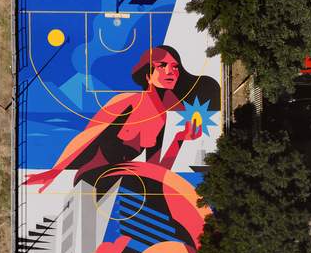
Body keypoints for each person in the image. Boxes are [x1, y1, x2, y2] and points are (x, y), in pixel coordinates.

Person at [25, 45, 220, 192]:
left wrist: (179, 139)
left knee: (165, 189)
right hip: (92, 178)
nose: (171, 72)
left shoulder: (162, 118)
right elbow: (87, 136)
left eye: (175, 67)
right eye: (162, 66)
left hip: (119, 180)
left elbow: (156, 172)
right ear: (147, 74)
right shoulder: (129, 101)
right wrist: (55, 171)